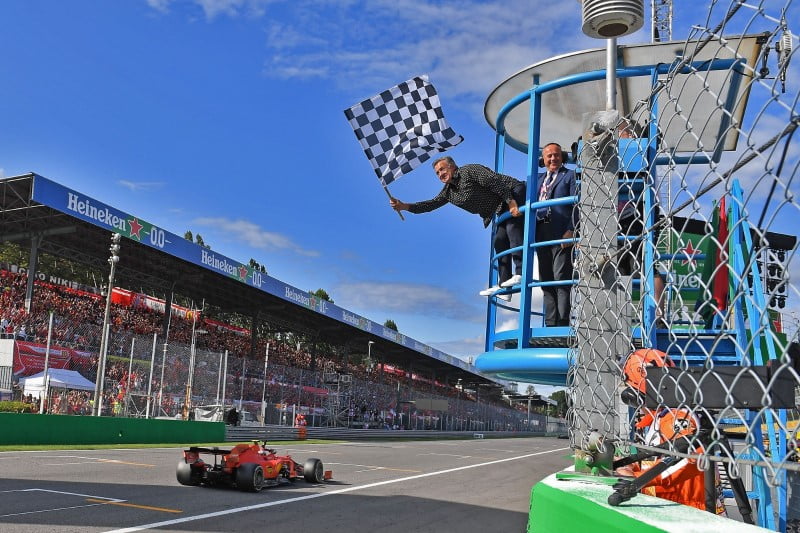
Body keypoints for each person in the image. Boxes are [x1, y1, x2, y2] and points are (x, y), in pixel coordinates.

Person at [390, 156, 526, 300]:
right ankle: (505, 286)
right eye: (437, 173)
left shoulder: (469, 171)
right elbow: (430, 204)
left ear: (452, 166)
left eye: (442, 169)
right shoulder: (448, 192)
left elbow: (494, 182)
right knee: (499, 242)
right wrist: (404, 206)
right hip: (500, 206)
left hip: (512, 191)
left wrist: (510, 201)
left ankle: (521, 273)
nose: (440, 174)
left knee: (513, 228)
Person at [535, 143, 577, 327]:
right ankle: (550, 323)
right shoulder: (537, 179)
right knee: (546, 278)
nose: (553, 159)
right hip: (540, 231)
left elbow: (578, 205)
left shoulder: (570, 176)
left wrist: (571, 229)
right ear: (543, 159)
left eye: (556, 155)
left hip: (561, 232)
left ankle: (562, 323)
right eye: (549, 156)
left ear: (563, 157)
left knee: (561, 277)